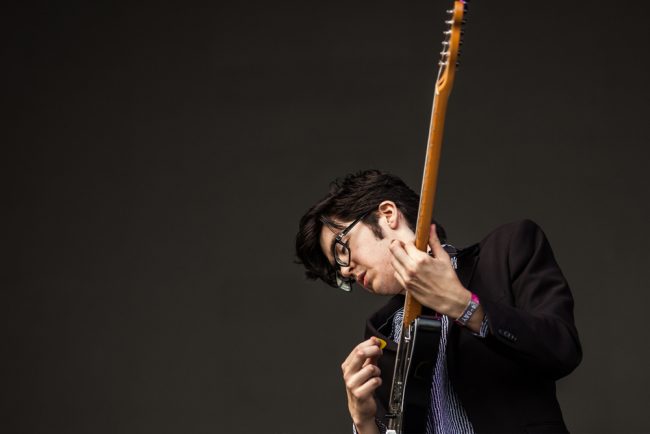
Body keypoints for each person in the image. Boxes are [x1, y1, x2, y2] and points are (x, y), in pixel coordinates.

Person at [295, 170, 582, 434]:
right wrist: (363, 422)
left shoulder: (507, 251)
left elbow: (562, 350)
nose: (345, 270)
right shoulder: (380, 332)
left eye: (341, 249)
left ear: (387, 214)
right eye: (337, 270)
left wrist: (465, 306)